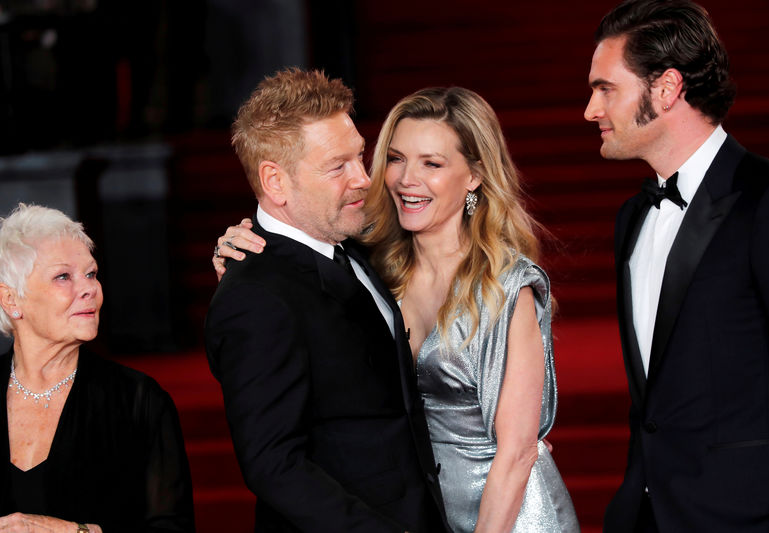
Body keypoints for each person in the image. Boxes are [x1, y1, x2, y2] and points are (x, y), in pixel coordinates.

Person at [214, 85, 579, 532]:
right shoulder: (372, 259)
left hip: (503, 514)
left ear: (474, 176)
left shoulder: (501, 285)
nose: (380, 179)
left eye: (432, 163)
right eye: (395, 158)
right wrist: (242, 258)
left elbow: (518, 451)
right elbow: (276, 459)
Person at [583, 1, 769, 531]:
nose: (590, 110)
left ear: (666, 89)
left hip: (748, 518)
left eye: (605, 88)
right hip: (648, 513)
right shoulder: (632, 217)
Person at [204, 69, 450, 533]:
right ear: (275, 182)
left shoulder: (351, 242)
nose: (363, 178)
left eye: (360, 156)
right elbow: (274, 466)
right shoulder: (255, 298)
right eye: (338, 166)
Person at [0, 203, 194, 532]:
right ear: (11, 300)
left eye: (90, 274)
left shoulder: (139, 402)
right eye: (63, 277)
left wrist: (77, 532)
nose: (90, 288)